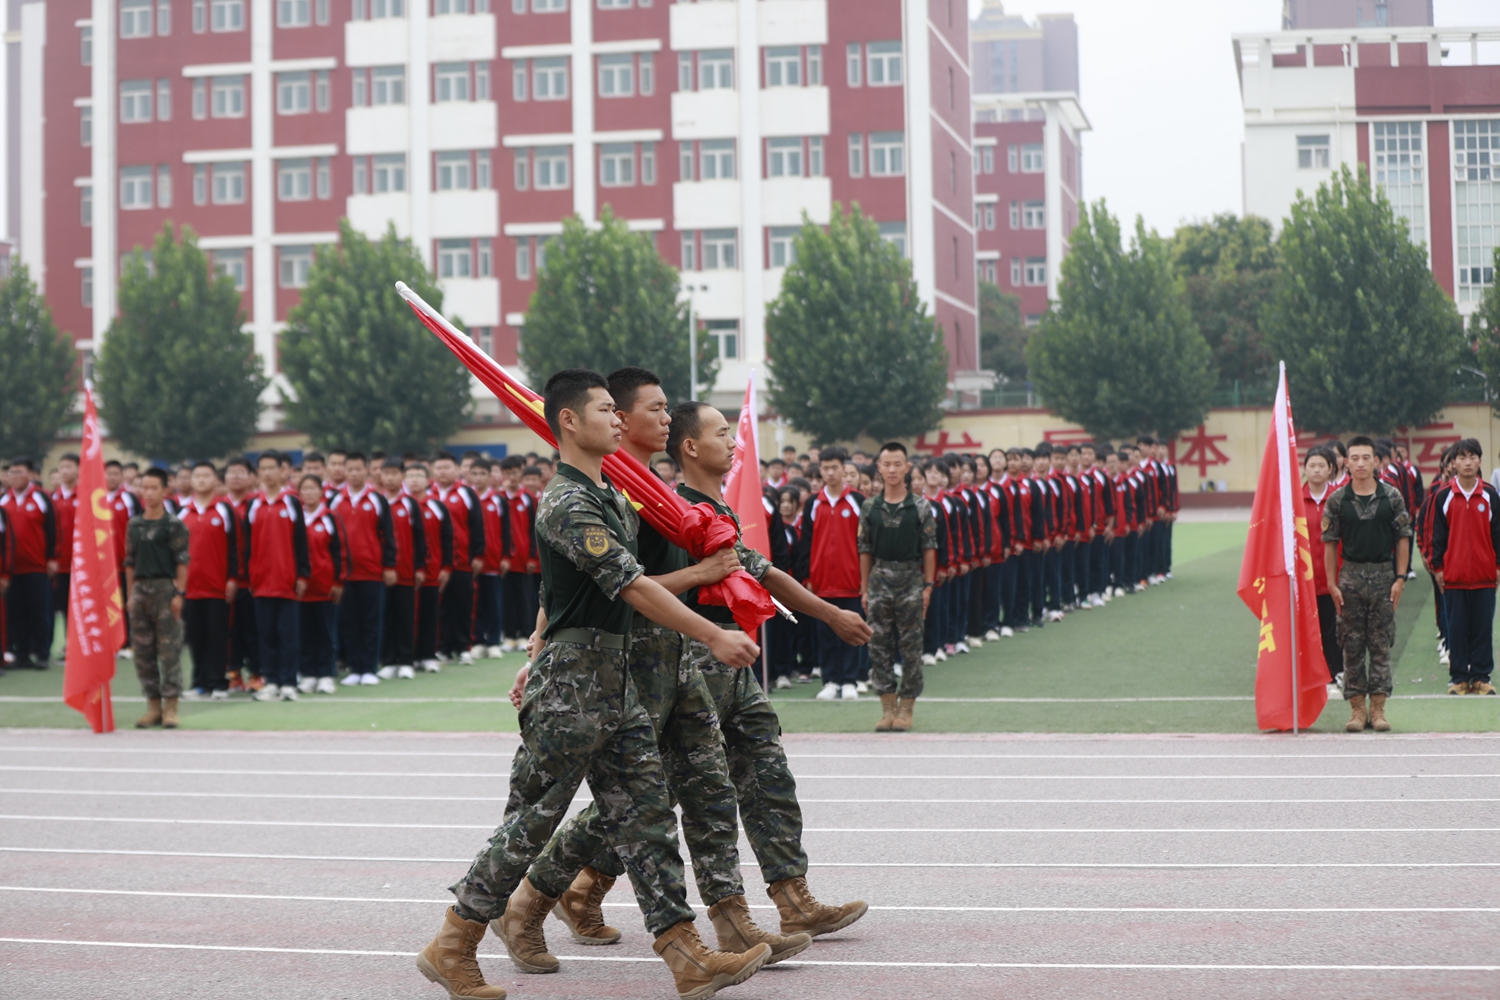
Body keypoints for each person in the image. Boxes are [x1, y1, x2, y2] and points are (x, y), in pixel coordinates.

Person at [422, 370, 772, 1000]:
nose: (618, 419)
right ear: (568, 422)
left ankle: (686, 953)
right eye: (606, 410)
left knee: (646, 821)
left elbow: (560, 593)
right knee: (533, 821)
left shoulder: (609, 495)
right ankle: (454, 940)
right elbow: (631, 586)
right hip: (573, 688)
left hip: (616, 681)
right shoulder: (568, 502)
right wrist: (713, 634)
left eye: (619, 409)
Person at [518, 367, 815, 968]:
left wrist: (826, 615)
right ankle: (531, 900)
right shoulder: (616, 498)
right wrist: (541, 645)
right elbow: (603, 586)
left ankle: (728, 924)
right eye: (650, 409)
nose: (662, 417)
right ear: (618, 418)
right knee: (620, 806)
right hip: (630, 667)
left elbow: (738, 566)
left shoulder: (659, 495)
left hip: (682, 664)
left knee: (706, 790)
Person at [1322, 436, 1412, 733]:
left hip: (1384, 577)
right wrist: (1332, 584)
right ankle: (1358, 709)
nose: (1360, 463)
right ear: (1345, 463)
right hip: (1351, 579)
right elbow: (1330, 544)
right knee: (1351, 644)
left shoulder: (1392, 497)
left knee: (1382, 643)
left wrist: (1400, 578)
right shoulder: (1337, 500)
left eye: (1366, 457)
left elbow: (1402, 539)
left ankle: (1379, 709)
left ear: (1376, 461)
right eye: (1354, 458)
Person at [859, 442, 937, 732]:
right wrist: (864, 589)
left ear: (907, 467)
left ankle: (907, 707)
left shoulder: (920, 506)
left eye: (897, 464)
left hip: (910, 581)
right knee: (878, 645)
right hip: (879, 579)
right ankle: (887, 707)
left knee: (911, 645)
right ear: (879, 468)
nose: (892, 469)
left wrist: (928, 586)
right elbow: (864, 549)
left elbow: (929, 547)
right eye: (886, 464)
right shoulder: (870, 507)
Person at [1427, 438, 1500, 697]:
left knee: (1482, 628)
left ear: (1480, 461)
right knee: (1456, 629)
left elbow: (1497, 534)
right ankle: (1459, 678)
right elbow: (1437, 536)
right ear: (1453, 463)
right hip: (1454, 577)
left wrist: (1497, 566)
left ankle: (1481, 677)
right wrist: (1437, 568)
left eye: (1473, 457)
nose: (1467, 462)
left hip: (1484, 576)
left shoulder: (1490, 495)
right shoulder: (1444, 496)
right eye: (1462, 457)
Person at [123, 468, 190, 729]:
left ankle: (171, 706)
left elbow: (182, 560)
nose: (148, 493)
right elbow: (129, 561)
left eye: (153, 488)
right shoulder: (134, 524)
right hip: (140, 590)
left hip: (165, 589)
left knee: (169, 650)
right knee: (142, 651)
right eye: (144, 487)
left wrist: (179, 594)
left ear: (165, 491)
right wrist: (130, 595)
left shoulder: (174, 525)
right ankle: (152, 705)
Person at [798, 447, 867, 700]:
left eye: (834, 467)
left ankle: (850, 680)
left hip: (852, 582)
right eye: (824, 468)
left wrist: (866, 580)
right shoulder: (813, 503)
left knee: (851, 631)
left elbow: (866, 545)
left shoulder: (858, 501)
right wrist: (806, 578)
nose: (829, 472)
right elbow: (805, 542)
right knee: (825, 634)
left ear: (843, 469)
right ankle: (830, 681)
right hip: (821, 583)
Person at [246, 451, 310, 702]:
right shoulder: (253, 505)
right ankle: (271, 680)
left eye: (272, 468)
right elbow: (247, 546)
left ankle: (288, 682)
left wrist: (302, 574)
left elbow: (301, 542)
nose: (268, 473)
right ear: (258, 473)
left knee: (288, 635)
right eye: (263, 468)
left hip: (287, 581)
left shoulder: (292, 502)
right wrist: (250, 576)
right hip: (261, 582)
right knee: (267, 635)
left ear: (282, 471)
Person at [331, 453, 396, 686]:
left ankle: (369, 667)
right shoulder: (335, 500)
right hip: (345, 574)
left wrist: (389, 566)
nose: (354, 473)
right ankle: (354, 668)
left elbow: (388, 535)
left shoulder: (377, 499)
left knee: (370, 622)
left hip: (371, 571)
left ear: (366, 471)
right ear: (344, 472)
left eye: (359, 469)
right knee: (349, 623)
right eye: (350, 469)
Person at [179, 462, 240, 700]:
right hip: (190, 588)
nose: (202, 480)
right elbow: (176, 552)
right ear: (191, 481)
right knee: (195, 637)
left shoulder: (226, 511)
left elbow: (236, 548)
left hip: (218, 587)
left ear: (216, 480)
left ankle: (217, 683)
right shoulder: (183, 513)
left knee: (217, 636)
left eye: (207, 476)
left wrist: (233, 578)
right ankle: (199, 682)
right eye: (197, 476)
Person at [2, 458, 56, 670]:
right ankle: (21, 654)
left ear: (30, 474)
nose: (14, 477)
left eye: (19, 472)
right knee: (15, 613)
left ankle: (42, 653)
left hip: (36, 566)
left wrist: (52, 558)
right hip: (11, 568)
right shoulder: (3, 500)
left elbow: (54, 530)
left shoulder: (42, 498)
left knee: (38, 611)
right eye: (11, 473)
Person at [431, 454, 484, 664]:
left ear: (457, 470)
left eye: (447, 467)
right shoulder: (428, 493)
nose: (442, 471)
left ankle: (463, 647)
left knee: (462, 605)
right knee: (440, 607)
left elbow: (477, 525)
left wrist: (478, 554)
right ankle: (442, 647)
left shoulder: (466, 493)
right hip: (436, 563)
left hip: (462, 560)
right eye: (439, 467)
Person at [297, 473, 345, 694]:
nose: (308, 493)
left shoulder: (330, 517)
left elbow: (340, 552)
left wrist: (338, 581)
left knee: (325, 633)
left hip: (325, 587)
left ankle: (326, 674)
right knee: (305, 633)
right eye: (304, 489)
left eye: (312, 489)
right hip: (301, 588)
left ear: (321, 492)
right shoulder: (294, 518)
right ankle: (309, 673)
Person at [1301, 445, 1342, 696]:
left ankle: (1335, 673)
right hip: (1304, 582)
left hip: (1333, 580)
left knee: (1333, 629)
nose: (1316, 470)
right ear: (1304, 469)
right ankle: (1311, 678)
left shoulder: (1340, 499)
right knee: (1308, 631)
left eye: (1321, 465)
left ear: (1330, 470)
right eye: (1311, 465)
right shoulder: (1294, 500)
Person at [380, 458, 427, 680]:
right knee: (387, 617)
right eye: (385, 473)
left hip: (406, 570)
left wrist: (420, 567)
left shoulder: (410, 504)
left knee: (406, 617)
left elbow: (420, 537)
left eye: (394, 473)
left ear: (401, 476)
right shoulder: (377, 502)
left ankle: (406, 660)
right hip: (381, 572)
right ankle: (389, 660)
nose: (389, 477)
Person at [408, 463, 451, 673]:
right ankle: (409, 656)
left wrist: (446, 567)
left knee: (429, 614)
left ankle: (427, 655)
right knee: (408, 616)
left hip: (433, 570)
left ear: (428, 480)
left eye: (419, 475)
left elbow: (447, 538)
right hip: (407, 572)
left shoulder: (436, 505)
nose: (414, 479)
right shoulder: (402, 505)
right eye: (410, 476)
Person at [223, 457, 259, 692]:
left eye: (241, 472)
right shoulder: (220, 506)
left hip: (253, 580)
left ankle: (257, 674)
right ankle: (232, 674)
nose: (236, 476)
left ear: (251, 477)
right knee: (229, 630)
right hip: (225, 581)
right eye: (231, 472)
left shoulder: (256, 504)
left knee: (253, 630)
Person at [473, 458, 511, 658]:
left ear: (490, 476)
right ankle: (478, 640)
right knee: (476, 603)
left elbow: (506, 531)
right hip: (471, 563)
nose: (478, 478)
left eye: (482, 474)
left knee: (493, 603)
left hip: (493, 561)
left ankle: (493, 641)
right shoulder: (467, 498)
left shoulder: (498, 500)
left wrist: (505, 556)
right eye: (475, 474)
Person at [51, 453, 79, 649]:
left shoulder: (87, 496)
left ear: (78, 469)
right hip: (58, 564)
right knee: (54, 607)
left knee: (78, 609)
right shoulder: (52, 498)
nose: (65, 471)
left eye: (69, 466)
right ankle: (53, 646)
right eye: (62, 467)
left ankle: (77, 646)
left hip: (80, 565)